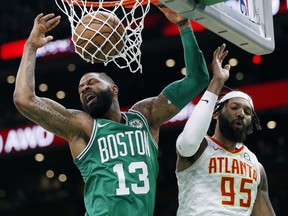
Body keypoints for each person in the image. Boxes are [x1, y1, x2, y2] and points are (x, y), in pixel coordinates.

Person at [13, 7, 211, 216]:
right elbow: (24, 99)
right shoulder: (83, 127)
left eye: (91, 83)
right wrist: (31, 47)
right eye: (81, 89)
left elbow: (197, 79)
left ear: (113, 89)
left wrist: (184, 26)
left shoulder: (145, 116)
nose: (84, 88)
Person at [175, 44, 276, 215]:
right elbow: (188, 142)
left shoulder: (255, 165)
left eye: (247, 112)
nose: (241, 114)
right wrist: (217, 82)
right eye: (234, 107)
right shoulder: (200, 148)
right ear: (215, 114)